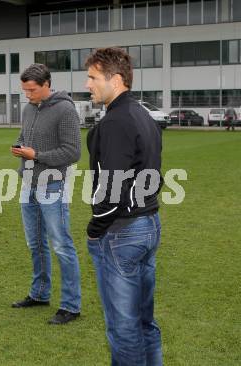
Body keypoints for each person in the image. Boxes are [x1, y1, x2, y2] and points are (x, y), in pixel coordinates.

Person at [85, 48, 163, 365]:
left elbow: (112, 187)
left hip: (124, 232)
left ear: (115, 80)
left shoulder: (118, 120)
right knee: (144, 322)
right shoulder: (141, 113)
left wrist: (95, 230)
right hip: (148, 224)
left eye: (92, 77)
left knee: (124, 330)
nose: (88, 84)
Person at [11, 63, 82, 325]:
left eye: (31, 90)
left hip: (53, 185)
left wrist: (37, 155)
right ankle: (40, 294)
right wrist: (20, 147)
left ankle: (71, 306)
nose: (27, 95)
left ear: (46, 85)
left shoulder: (65, 110)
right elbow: (24, 136)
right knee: (35, 244)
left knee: (62, 245)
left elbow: (73, 152)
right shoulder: (29, 109)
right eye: (24, 90)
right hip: (28, 182)